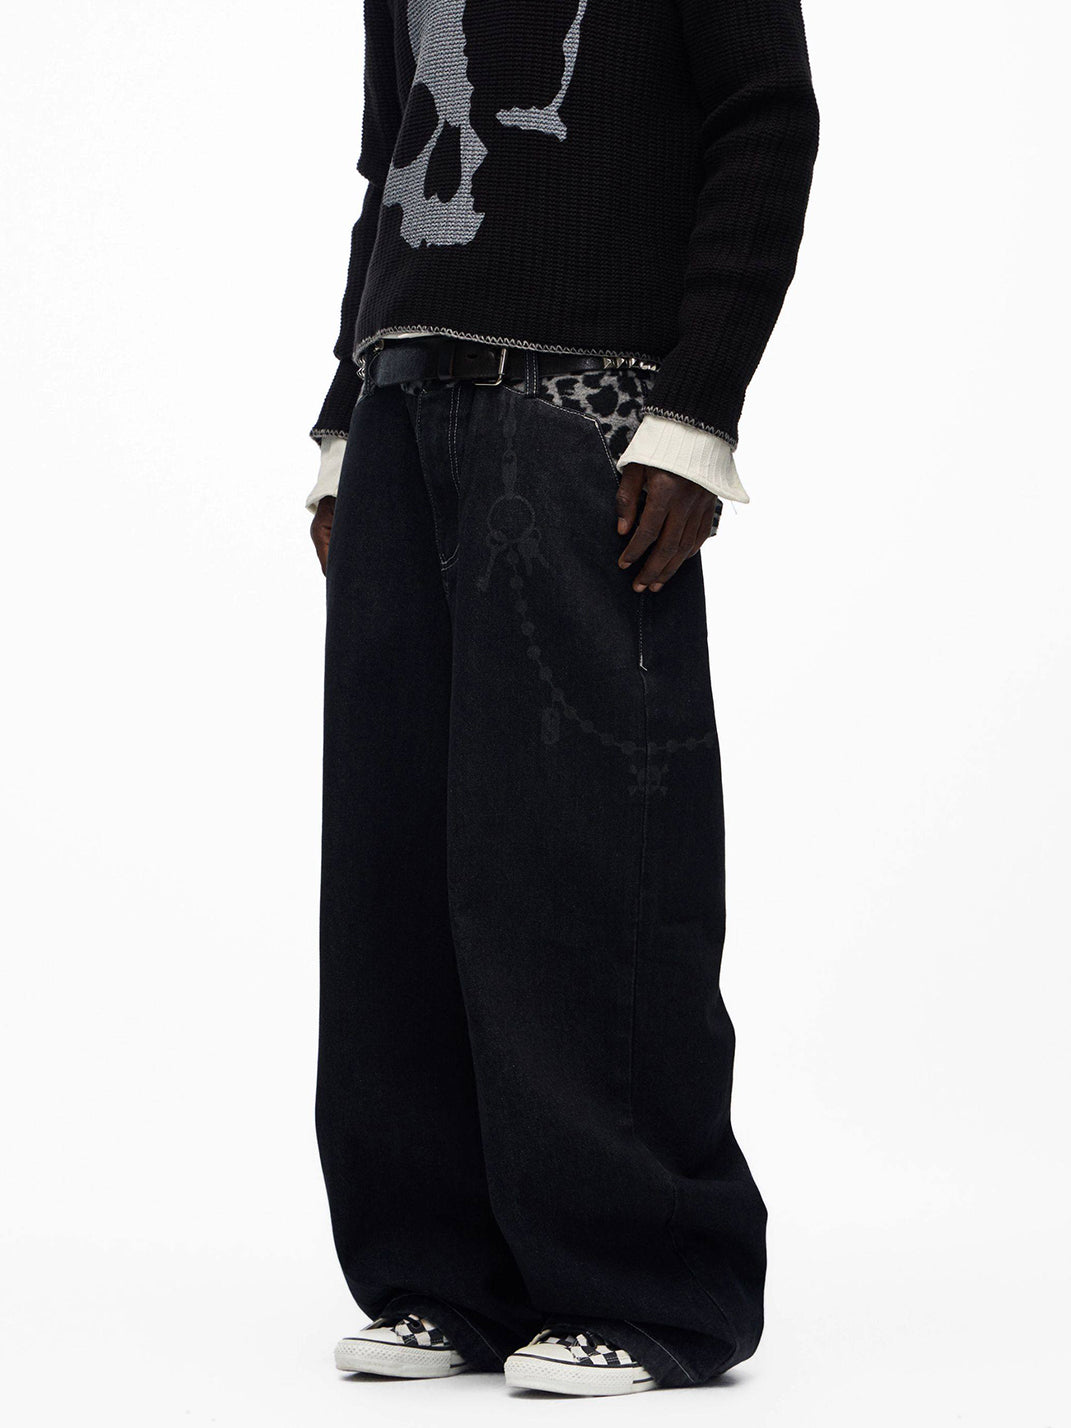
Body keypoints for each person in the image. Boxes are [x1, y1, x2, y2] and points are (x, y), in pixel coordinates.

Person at [306, 0, 818, 1397]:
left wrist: (697, 413)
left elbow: (767, 121)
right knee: (398, 868)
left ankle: (649, 1286)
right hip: (403, 404)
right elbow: (392, 158)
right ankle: (443, 1274)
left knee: (586, 855)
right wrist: (345, 414)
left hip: (583, 410)